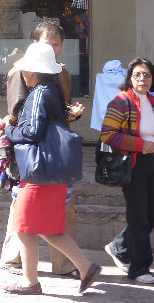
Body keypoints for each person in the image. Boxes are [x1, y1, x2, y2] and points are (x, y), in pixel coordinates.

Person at [1, 41, 101, 295]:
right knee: (45, 228)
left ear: (32, 72)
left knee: (24, 227)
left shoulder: (39, 94)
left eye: (25, 70)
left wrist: (9, 130)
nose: (23, 74)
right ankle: (84, 267)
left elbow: (32, 131)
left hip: (39, 172)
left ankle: (31, 281)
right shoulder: (53, 90)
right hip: (51, 171)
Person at [100, 57, 154, 284]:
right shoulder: (121, 102)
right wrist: (142, 145)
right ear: (130, 78)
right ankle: (139, 268)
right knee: (139, 216)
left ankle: (119, 246)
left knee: (150, 214)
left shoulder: (152, 100)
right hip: (134, 165)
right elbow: (108, 135)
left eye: (147, 75)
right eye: (138, 74)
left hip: (153, 162)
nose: (143, 78)